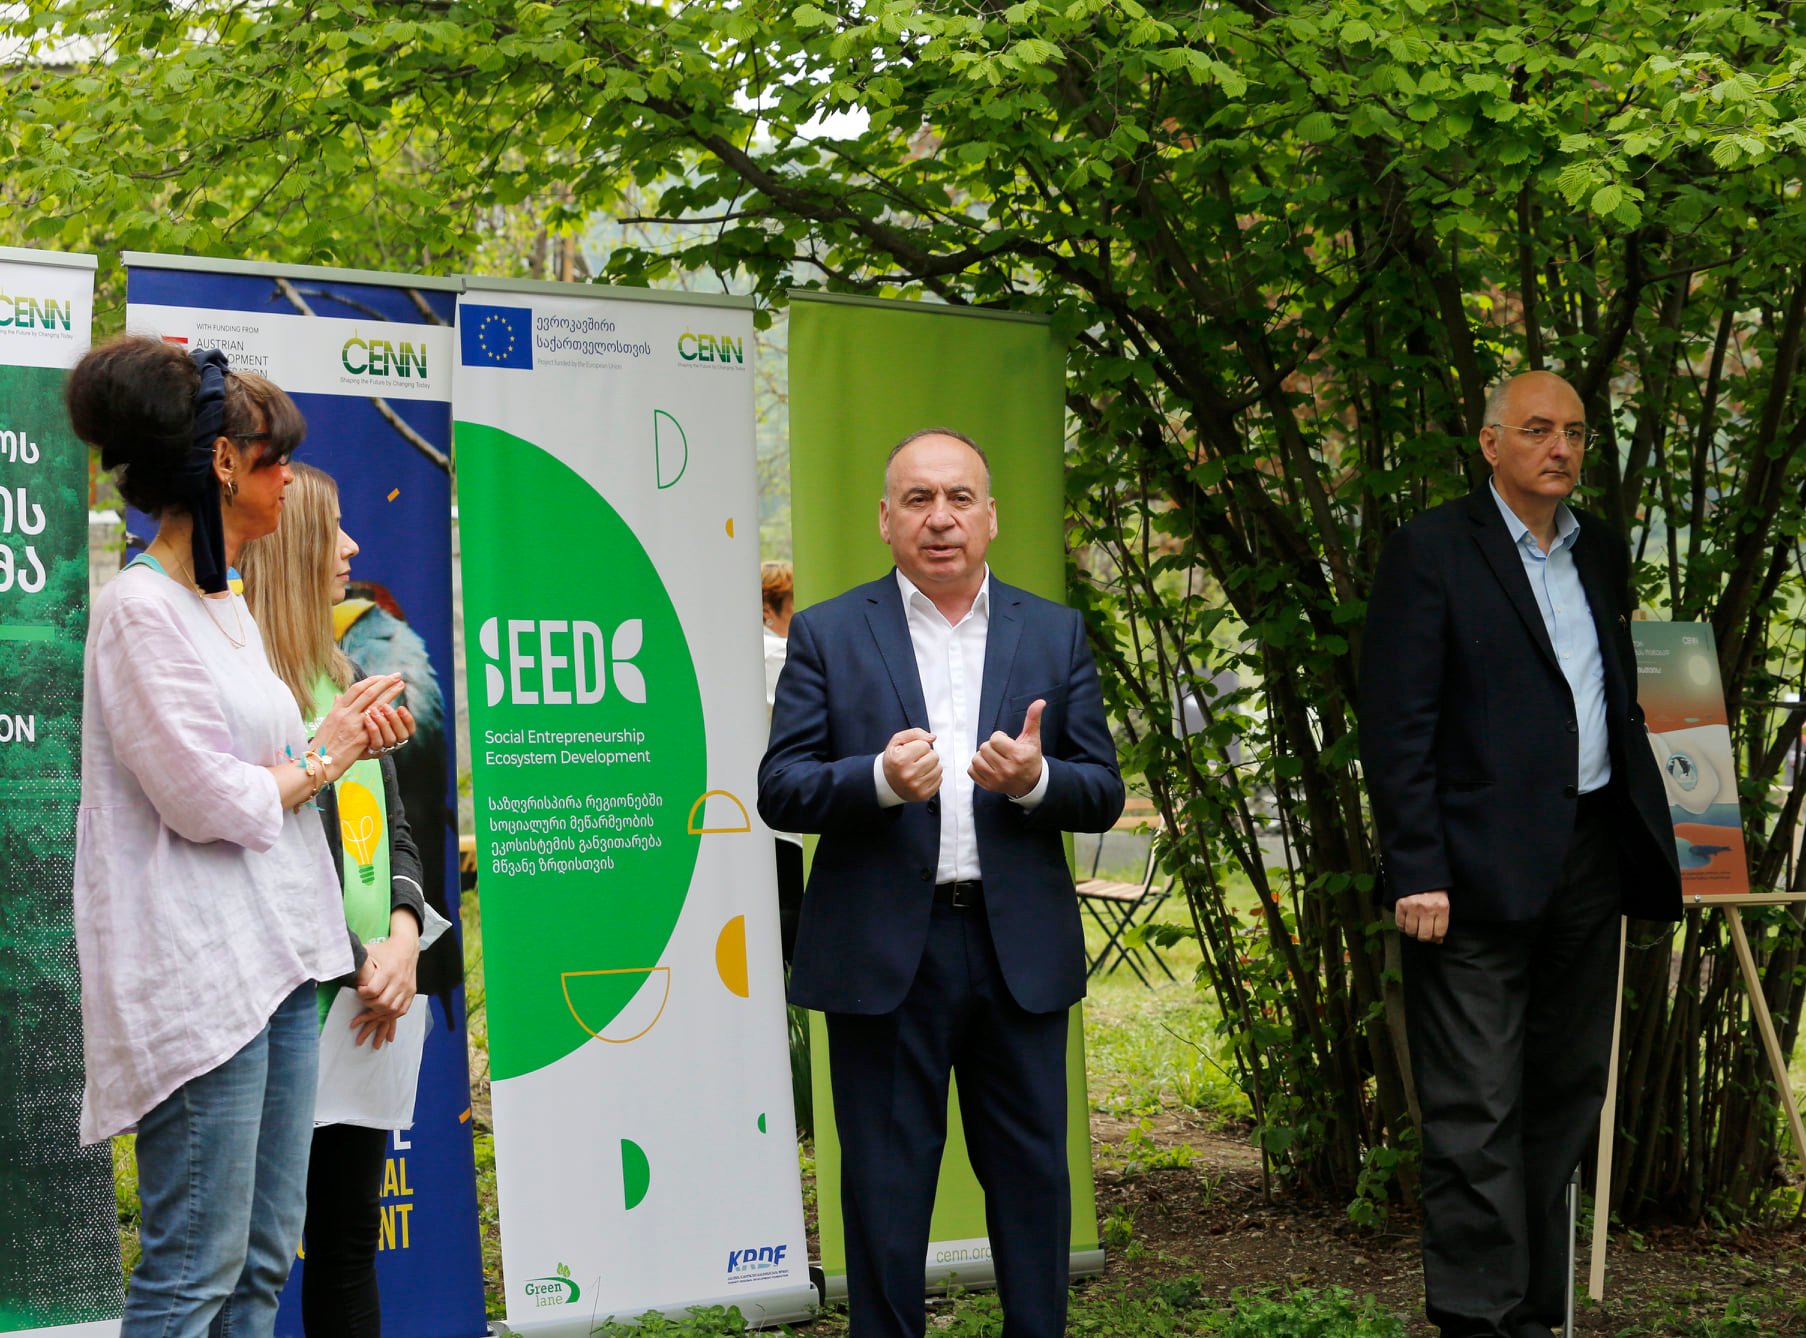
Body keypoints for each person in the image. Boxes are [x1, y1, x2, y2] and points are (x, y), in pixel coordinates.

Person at [68, 336, 412, 1338]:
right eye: (278, 459)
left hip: (277, 965)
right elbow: (207, 799)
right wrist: (328, 752)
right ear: (224, 463)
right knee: (196, 1273)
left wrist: (341, 738)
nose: (290, 480)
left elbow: (268, 768)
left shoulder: (224, 604)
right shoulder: (139, 611)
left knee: (261, 1265)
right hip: (200, 984)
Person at [758, 428, 1124, 1338]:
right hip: (885, 954)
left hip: (1015, 951)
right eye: (918, 499)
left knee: (1033, 1180)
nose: (941, 518)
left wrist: (1035, 781)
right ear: (885, 520)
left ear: (991, 517)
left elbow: (1103, 790)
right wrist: (878, 780)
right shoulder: (828, 633)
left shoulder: (1053, 632)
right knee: (884, 1191)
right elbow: (781, 788)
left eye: (959, 497)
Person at [1359, 371, 1682, 1338]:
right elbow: (1397, 724)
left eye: (1575, 433)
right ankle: (1476, 1319)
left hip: (1587, 857)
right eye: (1539, 429)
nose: (1561, 448)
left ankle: (1534, 1315)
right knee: (1474, 1109)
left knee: (1564, 1099)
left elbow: (1610, 697)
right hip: (1467, 874)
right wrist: (1417, 868)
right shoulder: (1431, 550)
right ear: (1491, 442)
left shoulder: (1599, 552)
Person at [239, 463, 427, 1337]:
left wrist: (402, 941)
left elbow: (397, 829)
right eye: (333, 529)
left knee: (348, 1244)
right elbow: (255, 852)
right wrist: (361, 966)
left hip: (366, 1010)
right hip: (282, 1010)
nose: (352, 547)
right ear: (287, 543)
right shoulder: (246, 686)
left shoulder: (341, 669)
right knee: (249, 1255)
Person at [760, 559, 804, 964]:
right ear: (768, 609)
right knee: (789, 905)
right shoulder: (774, 654)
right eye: (793, 604)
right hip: (784, 808)